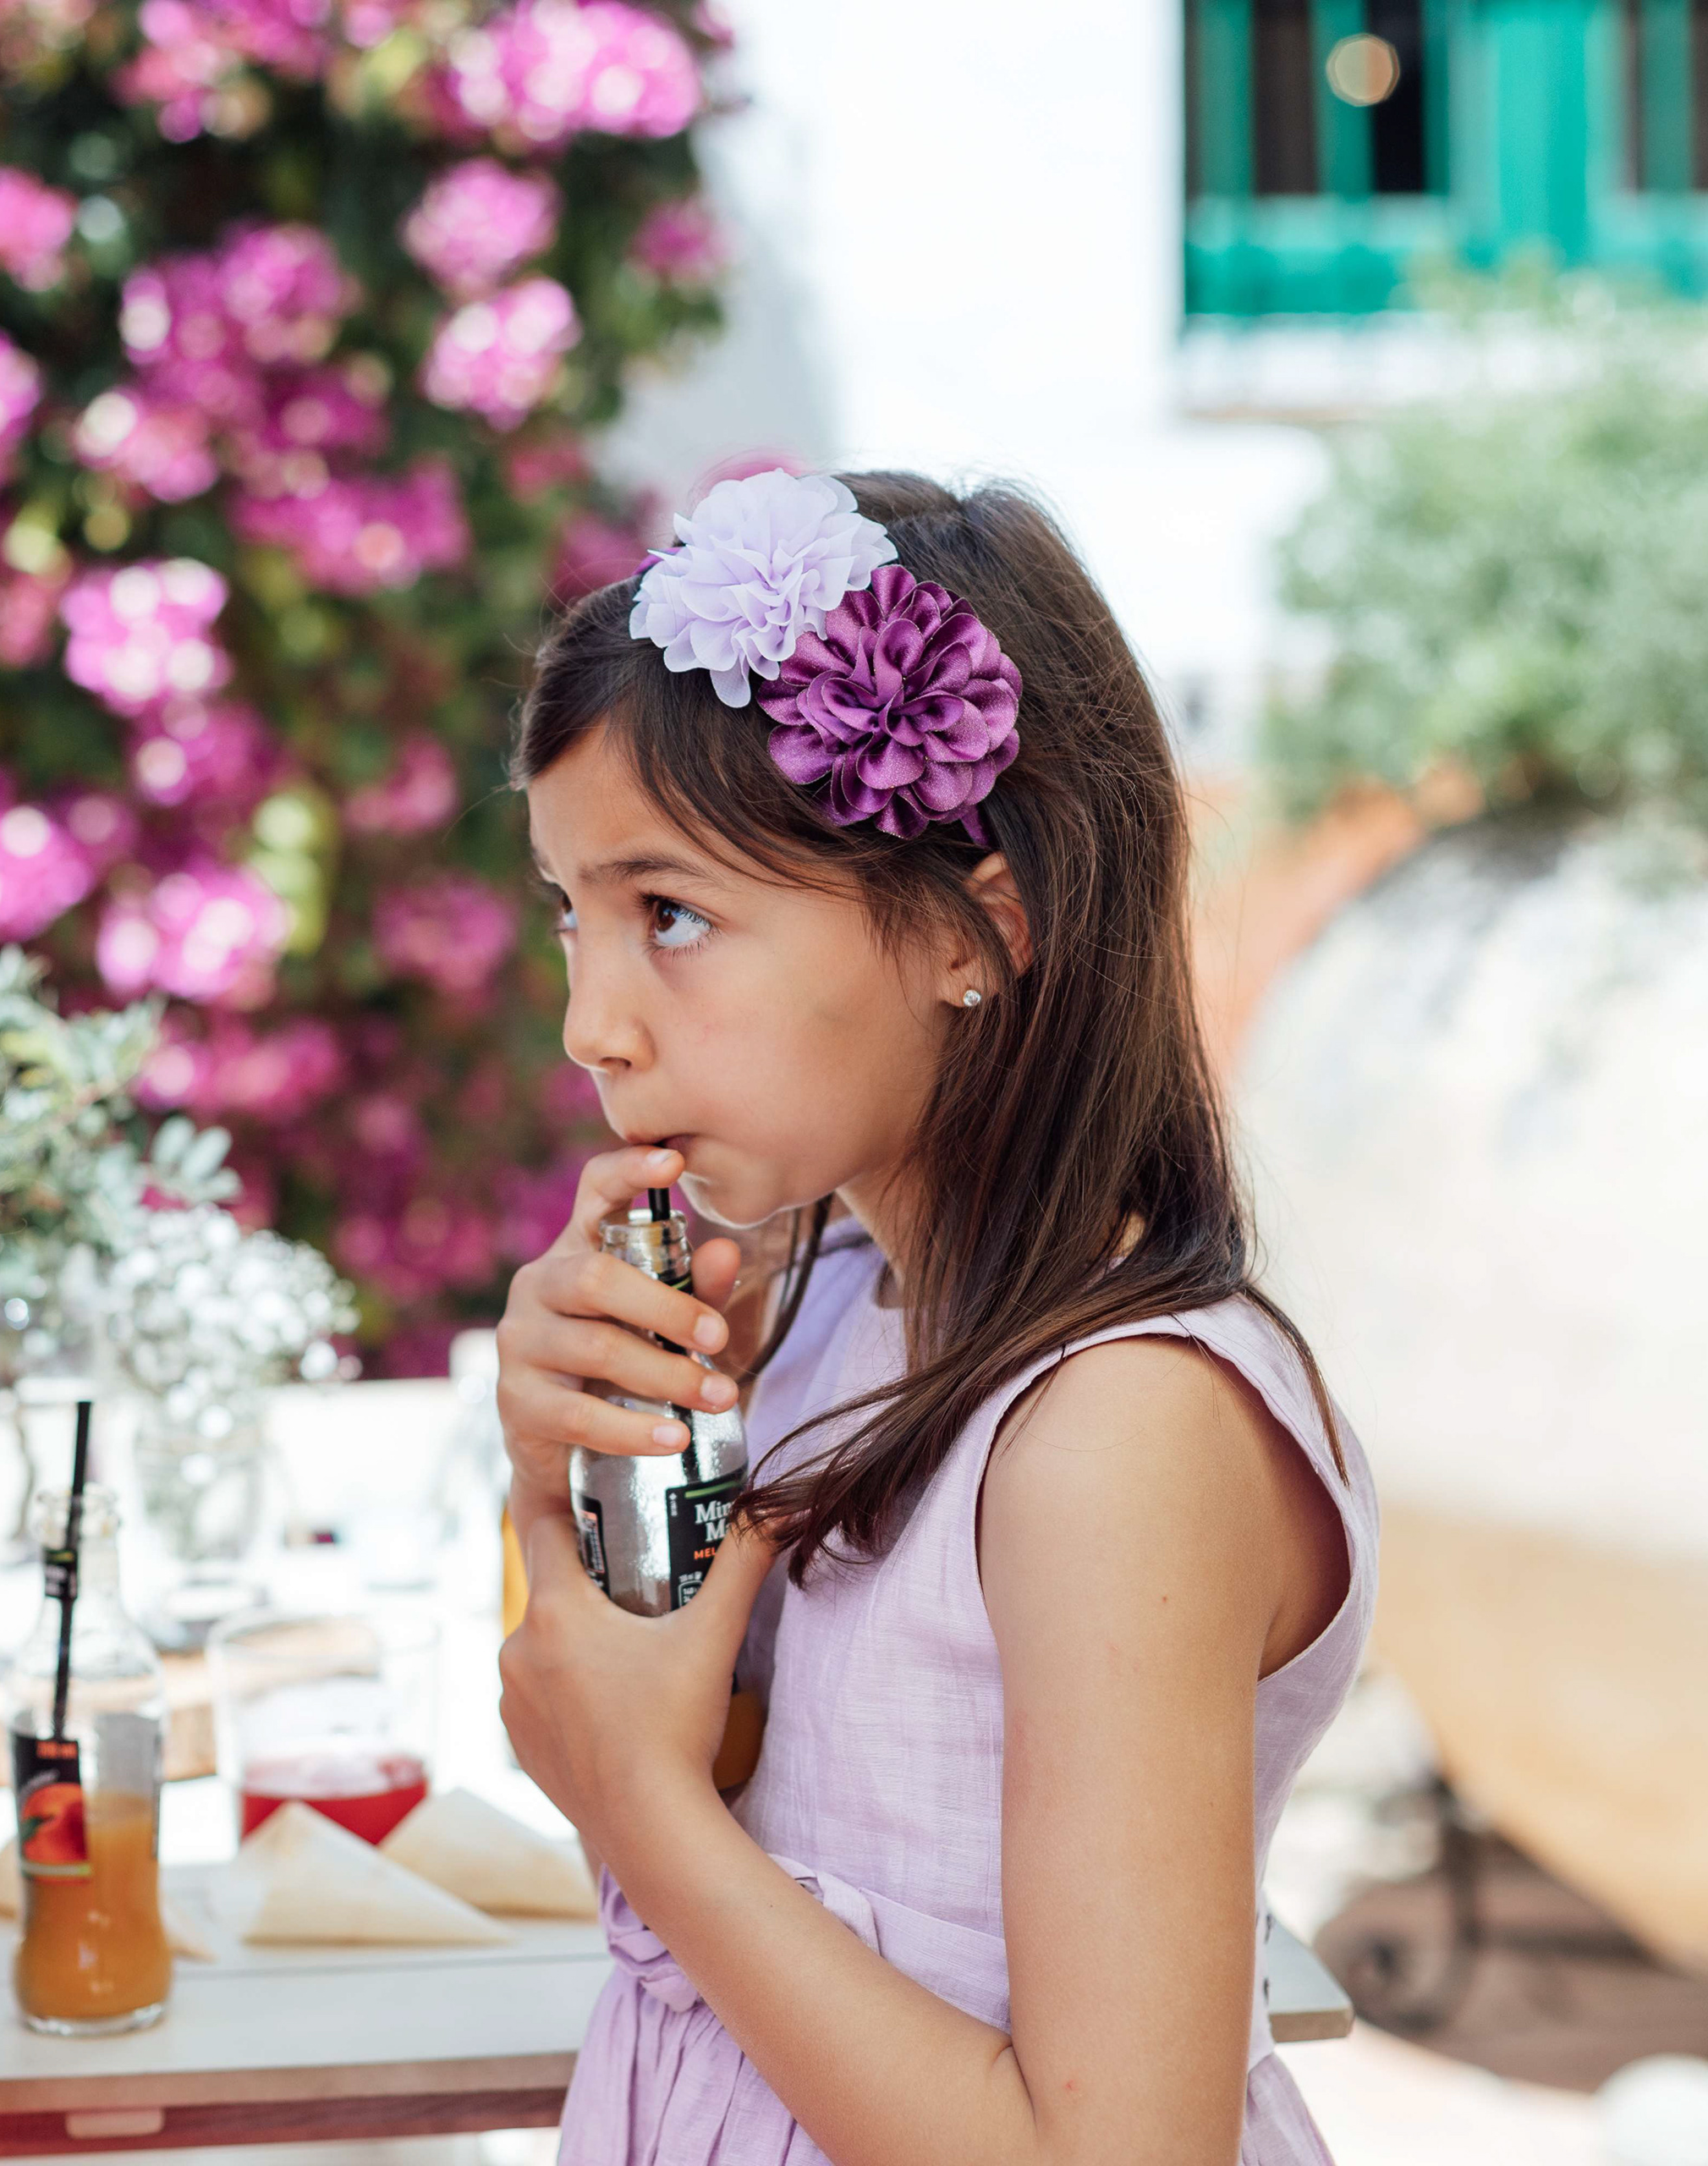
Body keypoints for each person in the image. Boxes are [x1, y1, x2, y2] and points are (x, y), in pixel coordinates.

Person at [495, 470, 1376, 2166]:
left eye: (671, 914)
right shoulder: (819, 1310)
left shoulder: (1116, 1430)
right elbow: (702, 1789)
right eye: (570, 914)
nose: (591, 1021)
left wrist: (641, 1805)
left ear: (978, 927)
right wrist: (571, 1482)